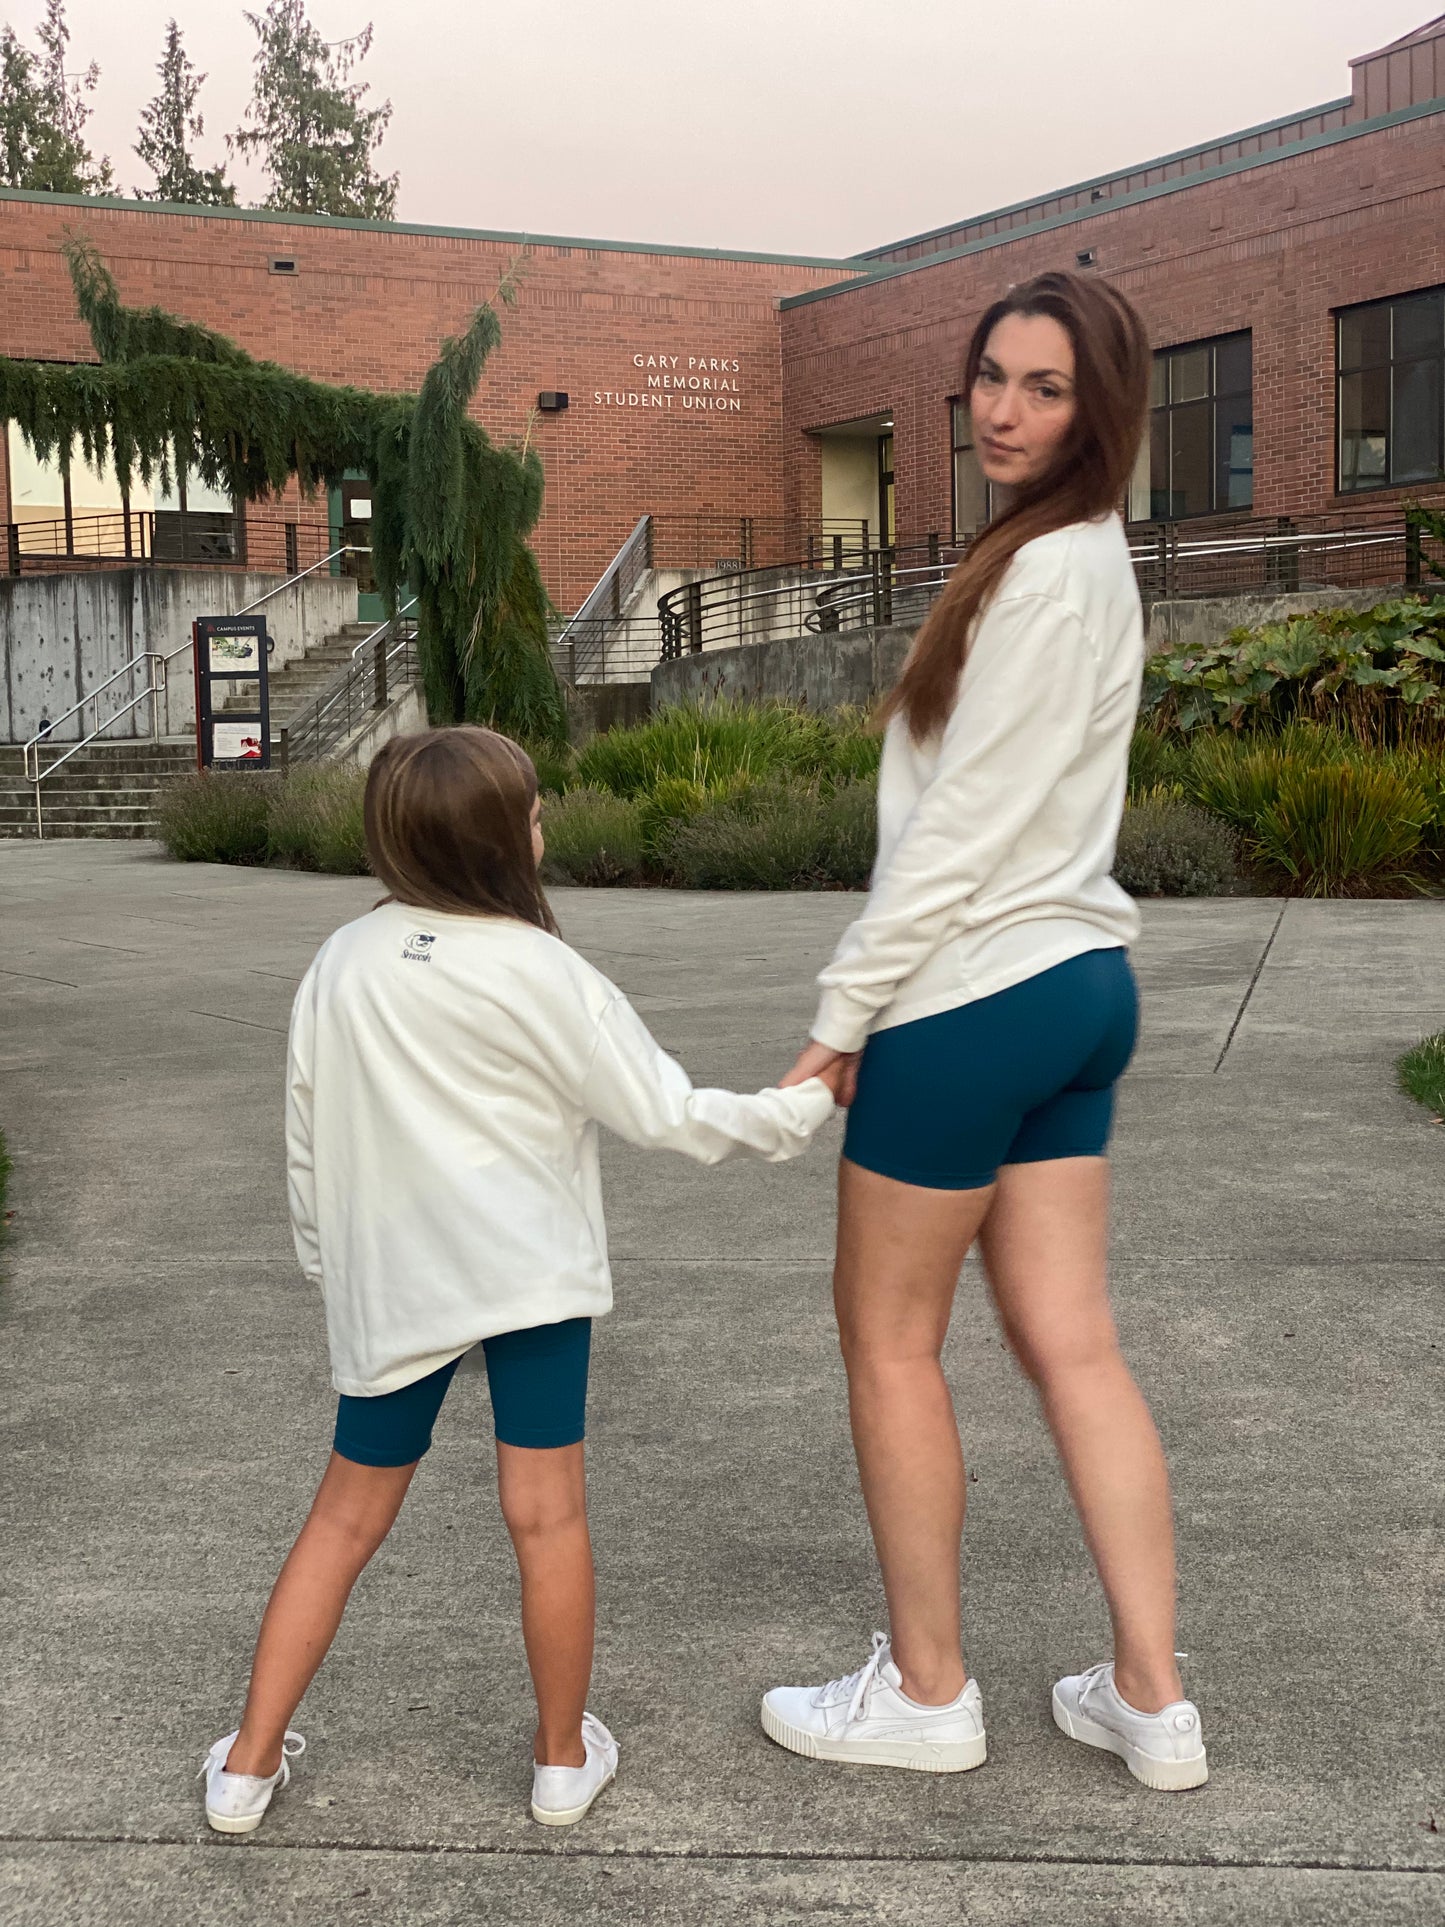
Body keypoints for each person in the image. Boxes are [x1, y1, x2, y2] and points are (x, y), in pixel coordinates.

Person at [199, 726, 841, 1835]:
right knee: (547, 1518)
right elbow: (667, 1113)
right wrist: (804, 1103)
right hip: (529, 1278)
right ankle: (558, 1761)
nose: (543, 826)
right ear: (500, 842)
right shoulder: (543, 970)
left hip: (395, 1285)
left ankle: (246, 1768)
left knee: (342, 1521)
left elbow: (306, 1138)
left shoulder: (341, 961)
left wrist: (330, 1269)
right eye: (533, 812)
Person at [762, 270, 1208, 1792]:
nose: (1003, 411)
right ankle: (1149, 1698)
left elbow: (953, 838)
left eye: (1045, 386)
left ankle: (927, 1690)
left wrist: (842, 1016)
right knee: (1072, 1343)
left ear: (1100, 407)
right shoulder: (1078, 558)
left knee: (890, 1342)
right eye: (991, 377)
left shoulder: (1046, 576)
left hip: (976, 997)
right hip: (1075, 991)